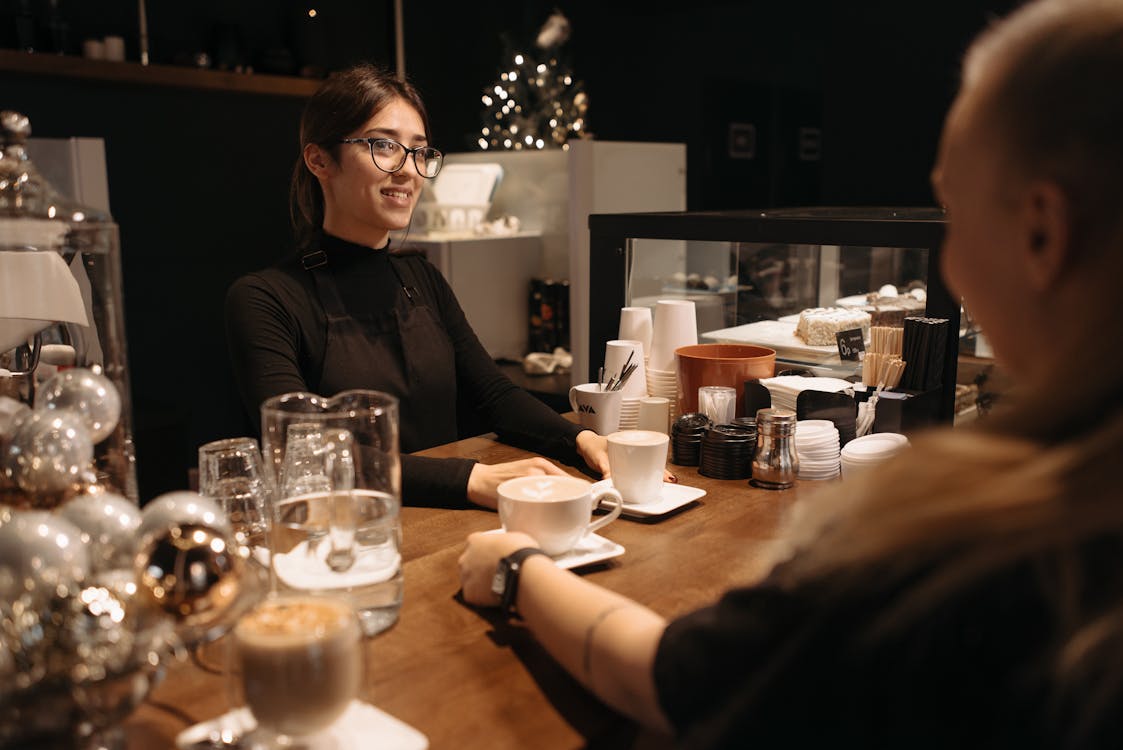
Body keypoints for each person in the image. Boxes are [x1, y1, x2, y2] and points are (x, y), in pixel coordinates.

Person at [458, 0, 1123, 745]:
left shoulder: (963, 553)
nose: (949, 261)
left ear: (1042, 232)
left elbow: (672, 679)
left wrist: (519, 566)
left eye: (953, 212)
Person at [225, 64, 610, 509]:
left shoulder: (420, 277)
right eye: (384, 146)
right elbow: (306, 452)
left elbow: (493, 395)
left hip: (447, 523)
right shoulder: (265, 299)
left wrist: (582, 440)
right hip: (346, 539)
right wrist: (472, 479)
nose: (407, 170)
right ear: (319, 160)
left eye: (419, 151)